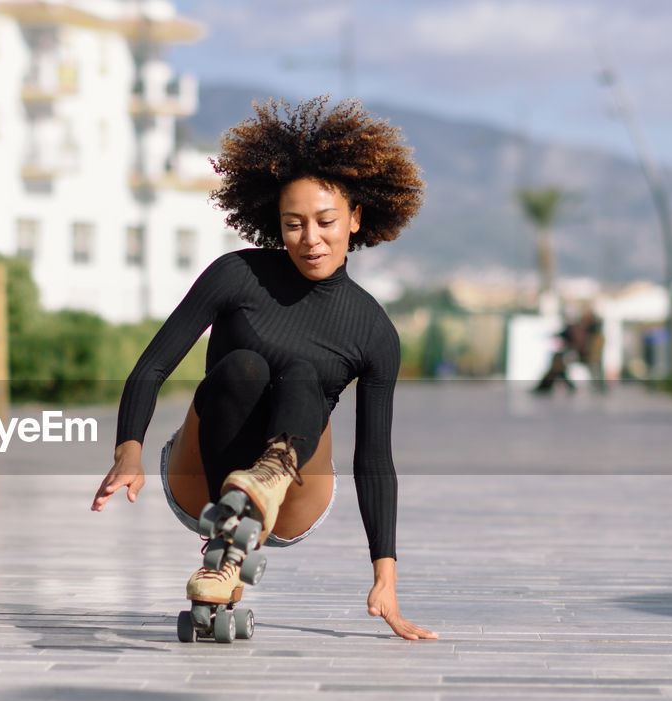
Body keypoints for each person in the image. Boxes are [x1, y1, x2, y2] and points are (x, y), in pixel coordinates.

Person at [90, 97, 437, 641]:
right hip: (200, 478)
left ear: (356, 219)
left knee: (302, 374)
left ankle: (267, 482)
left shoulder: (372, 330)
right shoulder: (237, 275)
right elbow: (154, 365)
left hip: (296, 494)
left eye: (325, 221)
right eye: (292, 224)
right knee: (244, 366)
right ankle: (224, 546)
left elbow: (373, 460)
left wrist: (385, 578)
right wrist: (127, 449)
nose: (310, 238)